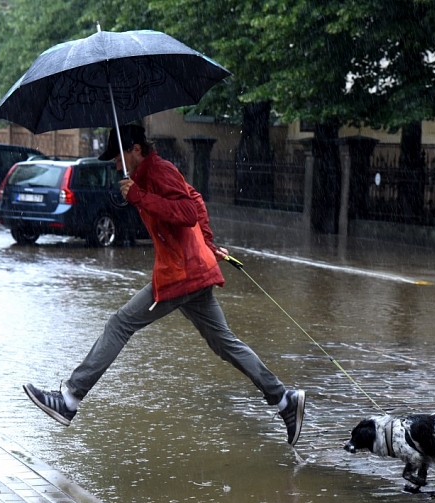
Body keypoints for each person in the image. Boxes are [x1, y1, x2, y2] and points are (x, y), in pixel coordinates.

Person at [23, 124, 306, 446]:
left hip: (181, 275)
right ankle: (285, 400)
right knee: (224, 343)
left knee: (120, 323)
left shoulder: (159, 170)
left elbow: (187, 211)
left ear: (135, 150)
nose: (115, 164)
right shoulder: (147, 175)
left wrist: (145, 200)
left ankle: (70, 399)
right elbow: (195, 199)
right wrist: (206, 245)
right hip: (190, 270)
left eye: (118, 156)